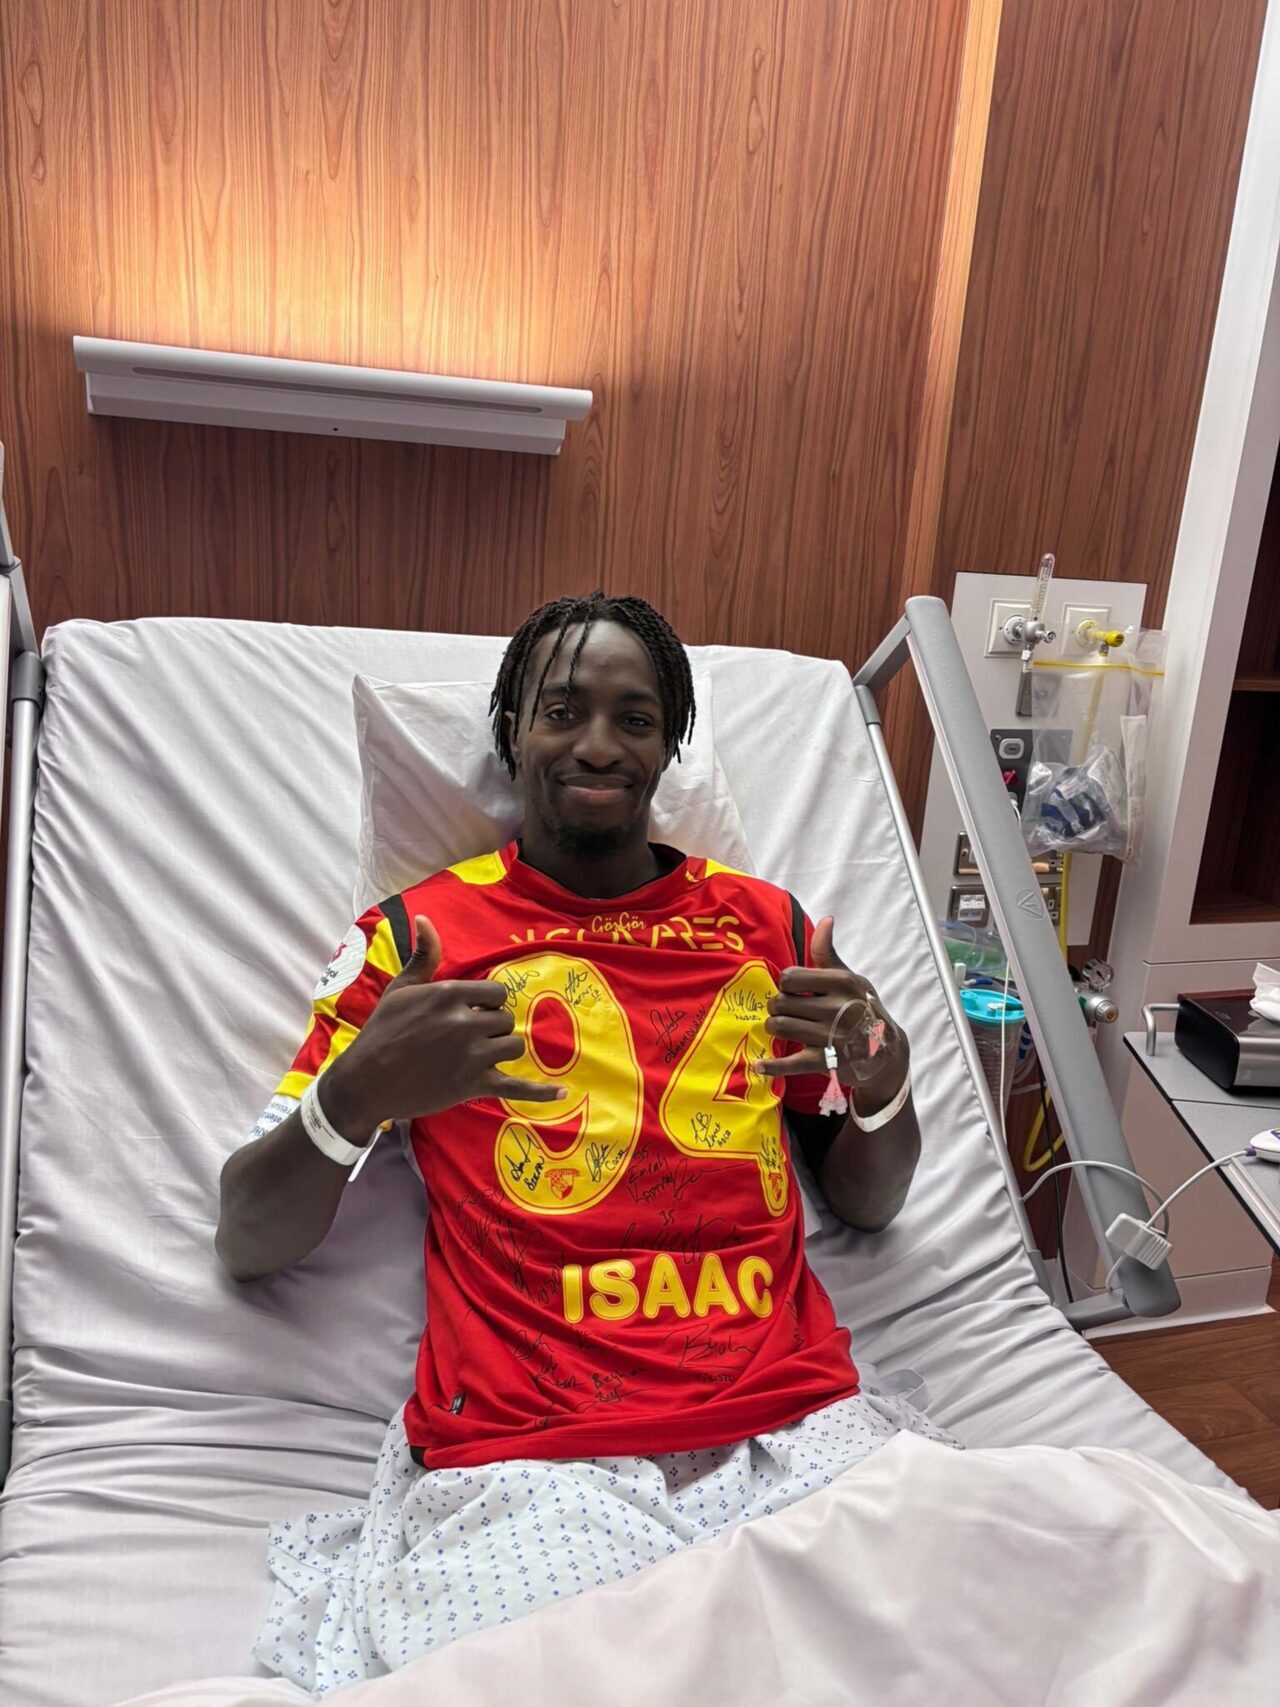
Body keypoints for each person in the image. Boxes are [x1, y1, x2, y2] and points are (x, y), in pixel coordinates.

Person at [217, 591, 952, 1694]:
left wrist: (884, 1086)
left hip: (793, 1425)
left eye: (635, 718)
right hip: (533, 1453)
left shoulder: (773, 930)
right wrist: (356, 1094)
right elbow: (247, 1237)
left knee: (980, 1624)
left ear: (669, 745)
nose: (598, 744)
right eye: (561, 711)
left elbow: (867, 1203)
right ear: (512, 734)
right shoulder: (418, 942)